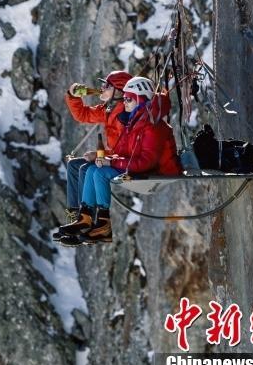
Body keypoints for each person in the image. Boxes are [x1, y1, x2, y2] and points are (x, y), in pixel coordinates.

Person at [58, 76, 182, 245]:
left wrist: (108, 159)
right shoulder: (124, 116)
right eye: (124, 98)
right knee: (85, 167)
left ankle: (94, 223)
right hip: (128, 162)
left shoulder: (139, 122)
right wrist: (73, 96)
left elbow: (143, 159)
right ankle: (83, 218)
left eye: (128, 98)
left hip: (145, 169)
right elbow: (123, 149)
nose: (125, 102)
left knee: (91, 169)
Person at [52, 70, 132, 243]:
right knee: (74, 165)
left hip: (120, 161)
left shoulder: (123, 115)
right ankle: (77, 217)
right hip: (112, 158)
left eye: (107, 86)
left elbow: (125, 149)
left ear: (119, 91)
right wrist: (73, 96)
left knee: (85, 168)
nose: (102, 88)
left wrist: (98, 155)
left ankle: (88, 222)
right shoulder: (108, 109)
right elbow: (83, 114)